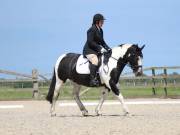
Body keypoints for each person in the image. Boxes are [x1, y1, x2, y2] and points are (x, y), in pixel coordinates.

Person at [83, 13, 111, 86]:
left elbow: (102, 42)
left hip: (96, 50)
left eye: (103, 21)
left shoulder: (100, 30)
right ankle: (92, 80)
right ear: (97, 21)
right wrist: (100, 48)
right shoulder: (91, 30)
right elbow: (90, 42)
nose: (103, 23)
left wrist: (108, 48)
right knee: (95, 60)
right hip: (89, 50)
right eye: (102, 21)